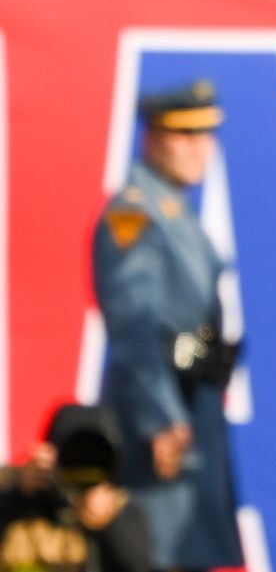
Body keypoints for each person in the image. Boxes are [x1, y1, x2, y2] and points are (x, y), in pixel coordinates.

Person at [91, 82, 243, 572]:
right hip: (162, 423)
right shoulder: (135, 214)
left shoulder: (173, 210)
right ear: (152, 138)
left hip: (192, 406)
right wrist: (159, 418)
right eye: (186, 135)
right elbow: (134, 328)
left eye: (207, 134)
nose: (202, 148)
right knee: (156, 553)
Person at [0, 404, 152, 572]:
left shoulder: (121, 511)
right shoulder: (19, 490)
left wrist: (108, 527)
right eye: (73, 455)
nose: (82, 468)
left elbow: (138, 566)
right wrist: (18, 495)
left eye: (94, 459)